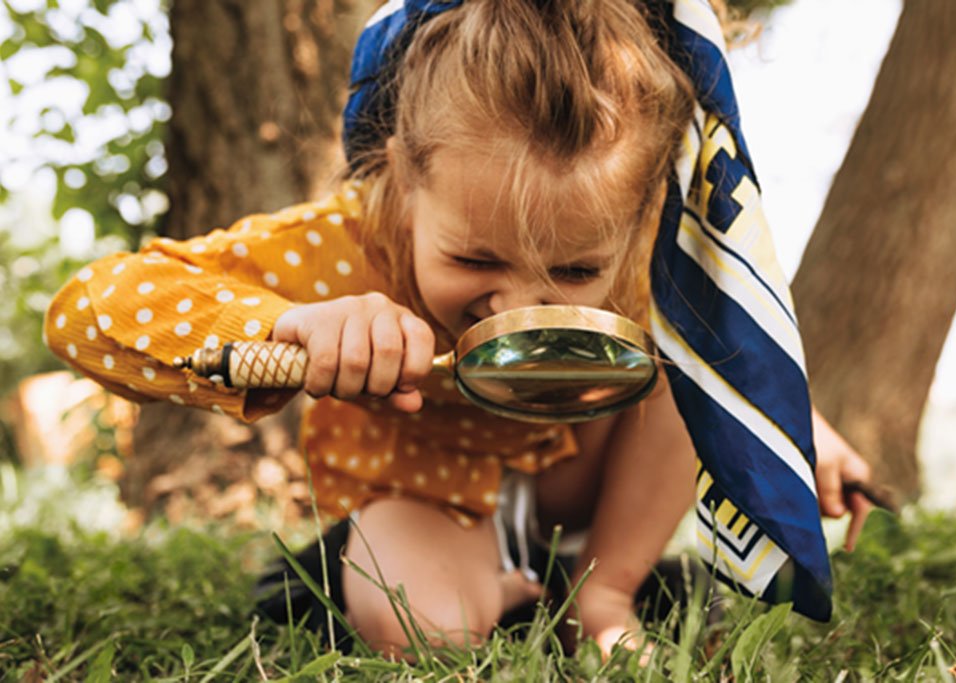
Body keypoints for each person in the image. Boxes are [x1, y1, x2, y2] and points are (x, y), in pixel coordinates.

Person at [44, 0, 870, 659]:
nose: (518, 309)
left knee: (693, 351)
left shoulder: (659, 248)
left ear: (643, 204)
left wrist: (802, 434)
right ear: (405, 173)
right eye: (476, 258)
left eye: (575, 271)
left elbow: (733, 355)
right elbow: (88, 309)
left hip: (581, 499)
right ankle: (497, 591)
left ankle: (605, 592)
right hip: (426, 501)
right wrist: (290, 324)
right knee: (423, 627)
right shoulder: (349, 245)